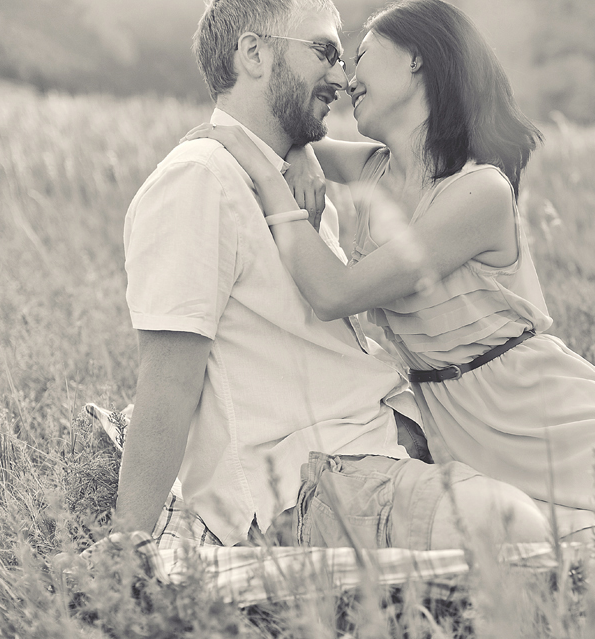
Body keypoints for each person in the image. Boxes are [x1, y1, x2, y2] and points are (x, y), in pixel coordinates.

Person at [193, 0, 595, 560]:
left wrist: (277, 182)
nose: (346, 74)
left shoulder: (479, 191)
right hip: (453, 421)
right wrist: (299, 153)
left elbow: (332, 291)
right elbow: (279, 134)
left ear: (417, 59)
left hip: (537, 403)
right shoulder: (369, 168)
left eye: (362, 51)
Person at [115, 0, 550, 552]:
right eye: (324, 51)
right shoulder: (199, 181)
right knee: (515, 527)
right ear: (254, 53)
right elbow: (167, 382)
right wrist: (127, 542)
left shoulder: (294, 176)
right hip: (312, 478)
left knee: (576, 501)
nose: (342, 77)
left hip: (376, 442)